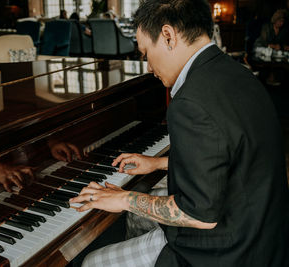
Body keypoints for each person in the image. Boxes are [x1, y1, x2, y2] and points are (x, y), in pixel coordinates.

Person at [70, 0, 289, 266]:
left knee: (93, 261)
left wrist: (122, 198)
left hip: (226, 251)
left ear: (168, 36)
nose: (148, 67)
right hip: (264, 232)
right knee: (137, 218)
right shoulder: (237, 74)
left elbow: (200, 215)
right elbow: (231, 156)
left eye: (145, 53)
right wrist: (159, 163)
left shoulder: (190, 102)